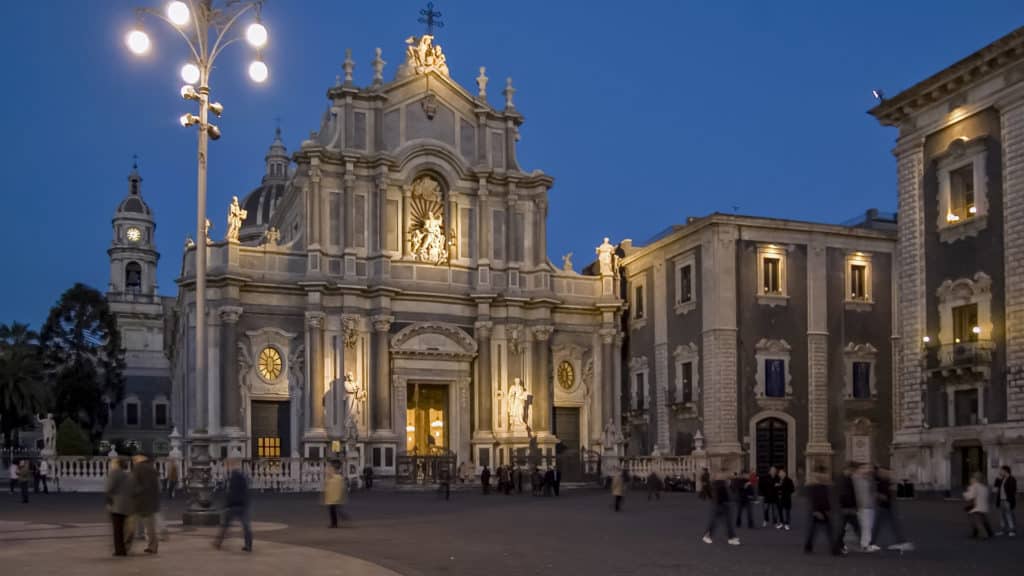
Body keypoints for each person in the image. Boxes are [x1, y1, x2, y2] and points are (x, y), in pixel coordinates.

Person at [215, 459, 253, 552]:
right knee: (246, 526)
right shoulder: (242, 477)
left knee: (225, 525)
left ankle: (218, 542)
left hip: (234, 505)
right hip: (242, 505)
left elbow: (231, 493)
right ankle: (248, 545)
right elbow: (245, 492)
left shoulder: (233, 478)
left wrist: (226, 504)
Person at [126, 453, 161, 554]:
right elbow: (156, 487)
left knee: (130, 526)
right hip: (150, 503)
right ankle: (153, 546)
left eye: (135, 458)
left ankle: (126, 546)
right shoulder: (152, 469)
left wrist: (133, 493)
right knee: (150, 527)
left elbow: (133, 485)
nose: (133, 460)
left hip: (138, 502)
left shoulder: (138, 468)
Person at [872, 466, 913, 551]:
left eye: (882, 472)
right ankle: (902, 542)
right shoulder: (883, 481)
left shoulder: (884, 481)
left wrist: (876, 495)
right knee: (890, 525)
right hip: (887, 506)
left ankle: (871, 543)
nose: (880, 473)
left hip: (885, 506)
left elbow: (884, 496)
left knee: (879, 526)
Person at [803, 466, 838, 555]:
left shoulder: (825, 486)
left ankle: (833, 549)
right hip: (817, 511)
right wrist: (815, 511)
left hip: (824, 510)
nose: (824, 476)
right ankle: (833, 549)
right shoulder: (813, 486)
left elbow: (827, 499)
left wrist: (829, 510)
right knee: (817, 530)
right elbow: (813, 499)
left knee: (826, 530)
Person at [702, 471, 741, 546]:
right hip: (720, 505)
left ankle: (731, 537)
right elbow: (722, 495)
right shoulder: (719, 483)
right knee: (719, 522)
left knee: (724, 522)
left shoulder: (721, 483)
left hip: (722, 504)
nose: (725, 475)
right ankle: (730, 538)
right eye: (723, 474)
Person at [105, 458, 133, 557]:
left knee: (117, 530)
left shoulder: (114, 473)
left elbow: (109, 488)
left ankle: (119, 551)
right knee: (125, 529)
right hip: (128, 505)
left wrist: (108, 500)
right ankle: (125, 548)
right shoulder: (128, 474)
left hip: (117, 505)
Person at [834, 463, 860, 555]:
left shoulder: (847, 479)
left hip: (847, 508)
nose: (853, 472)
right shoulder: (843, 480)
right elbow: (843, 494)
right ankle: (838, 547)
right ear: (848, 469)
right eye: (852, 470)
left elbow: (851, 494)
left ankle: (840, 546)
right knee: (843, 529)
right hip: (845, 508)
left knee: (846, 528)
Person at [854, 463, 879, 551]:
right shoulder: (856, 479)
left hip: (870, 506)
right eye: (864, 468)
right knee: (866, 526)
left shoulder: (869, 479)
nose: (867, 470)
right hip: (862, 506)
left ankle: (866, 543)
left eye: (868, 468)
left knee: (868, 526)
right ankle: (866, 545)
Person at [964, 472, 992, 540]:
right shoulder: (985, 486)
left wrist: (966, 492)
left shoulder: (974, 486)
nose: (971, 480)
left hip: (977, 507)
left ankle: (984, 534)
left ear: (975, 479)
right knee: (984, 520)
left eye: (972, 478)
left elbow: (970, 496)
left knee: (977, 521)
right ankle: (989, 532)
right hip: (984, 506)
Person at [994, 465, 1017, 537]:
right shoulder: (1002, 479)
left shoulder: (1012, 479)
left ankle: (1012, 530)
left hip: (1007, 500)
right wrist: (997, 479)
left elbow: (1013, 490)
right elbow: (996, 487)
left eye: (1001, 470)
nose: (1000, 472)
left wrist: (1009, 500)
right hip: (1001, 500)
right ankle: (1002, 530)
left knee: (1009, 515)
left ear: (1005, 471)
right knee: (1001, 516)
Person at [323, 462, 345, 528]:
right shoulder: (331, 478)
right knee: (333, 511)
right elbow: (327, 487)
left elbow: (339, 488)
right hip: (331, 498)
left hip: (334, 498)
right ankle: (334, 523)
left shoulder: (337, 478)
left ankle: (334, 523)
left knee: (333, 511)